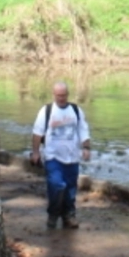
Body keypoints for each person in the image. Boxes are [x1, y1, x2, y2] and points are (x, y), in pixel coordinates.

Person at [30, 82, 90, 229]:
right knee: (57, 186)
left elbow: (83, 130)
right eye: (58, 95)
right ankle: (53, 214)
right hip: (53, 157)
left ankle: (69, 216)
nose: (61, 98)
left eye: (63, 95)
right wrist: (36, 152)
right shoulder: (47, 111)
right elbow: (37, 133)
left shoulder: (75, 110)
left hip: (72, 157)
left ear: (67, 95)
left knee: (70, 189)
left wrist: (86, 147)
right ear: (54, 95)